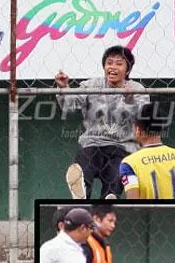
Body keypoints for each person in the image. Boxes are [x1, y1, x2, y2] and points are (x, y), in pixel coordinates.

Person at [57, 46, 149, 199]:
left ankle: (109, 200)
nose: (113, 67)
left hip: (123, 146)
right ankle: (81, 194)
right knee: (84, 164)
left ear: (127, 70)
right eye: (109, 63)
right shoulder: (91, 85)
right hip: (94, 143)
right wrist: (64, 88)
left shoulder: (136, 88)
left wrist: (130, 99)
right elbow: (70, 105)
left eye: (119, 63)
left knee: (117, 176)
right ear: (104, 66)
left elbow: (144, 116)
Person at [119, 101, 175, 199]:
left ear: (138, 130)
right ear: (160, 128)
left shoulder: (129, 163)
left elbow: (133, 203)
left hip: (148, 214)